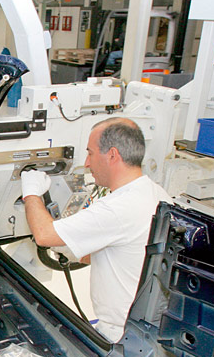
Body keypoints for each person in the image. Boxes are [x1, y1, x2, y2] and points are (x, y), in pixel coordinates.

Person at [21, 118, 171, 342]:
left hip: (121, 334)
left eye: (90, 153)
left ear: (112, 155)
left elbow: (43, 235)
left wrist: (31, 192)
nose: (87, 163)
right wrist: (73, 247)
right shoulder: (156, 193)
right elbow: (124, 253)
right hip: (150, 327)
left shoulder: (117, 208)